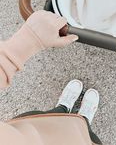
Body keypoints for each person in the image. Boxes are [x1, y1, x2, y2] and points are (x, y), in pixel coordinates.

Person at [0, 10, 102, 144]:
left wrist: (27, 40)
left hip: (26, 131)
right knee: (86, 134)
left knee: (48, 116)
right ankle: (83, 119)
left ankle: (63, 108)